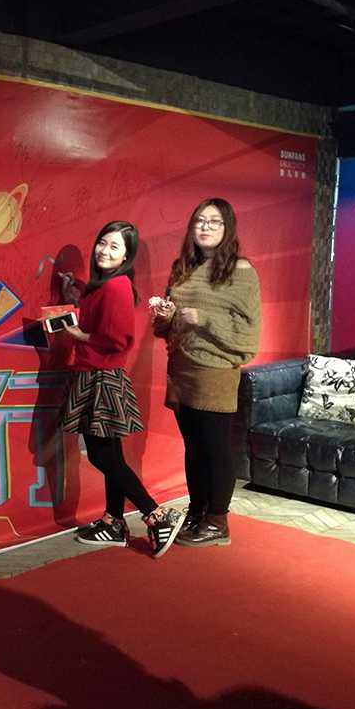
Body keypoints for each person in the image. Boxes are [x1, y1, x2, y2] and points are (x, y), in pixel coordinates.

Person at [59, 221, 186, 558]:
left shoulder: (116, 286)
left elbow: (116, 339)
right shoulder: (105, 285)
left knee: (101, 456)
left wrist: (78, 334)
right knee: (112, 455)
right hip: (100, 376)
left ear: (126, 257)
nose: (104, 250)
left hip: (100, 378)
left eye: (114, 247)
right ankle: (114, 521)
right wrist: (75, 295)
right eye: (102, 243)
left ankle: (156, 515)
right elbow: (101, 319)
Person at [151, 198, 260, 547]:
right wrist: (166, 316)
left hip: (215, 372)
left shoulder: (241, 271)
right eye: (200, 220)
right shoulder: (182, 267)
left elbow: (249, 334)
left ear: (228, 228)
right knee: (194, 447)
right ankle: (197, 510)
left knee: (215, 448)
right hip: (181, 370)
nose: (206, 227)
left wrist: (204, 318)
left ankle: (218, 521)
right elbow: (164, 329)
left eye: (214, 221)